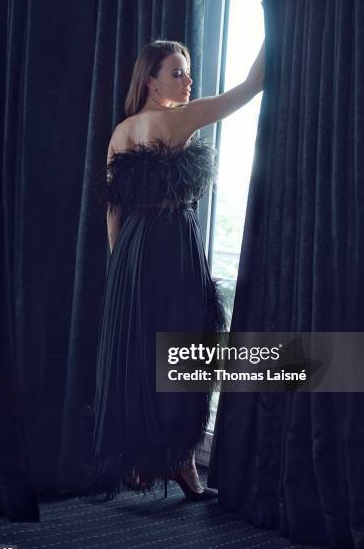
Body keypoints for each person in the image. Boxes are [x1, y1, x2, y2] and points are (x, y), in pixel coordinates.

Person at [84, 39, 264, 501]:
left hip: (131, 252)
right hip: (169, 245)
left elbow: (113, 211)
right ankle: (182, 463)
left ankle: (146, 461)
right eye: (177, 73)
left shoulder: (122, 131)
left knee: (143, 355)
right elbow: (251, 87)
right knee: (184, 349)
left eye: (187, 72)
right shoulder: (176, 119)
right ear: (151, 80)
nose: (188, 81)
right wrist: (277, 24)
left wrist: (121, 265)